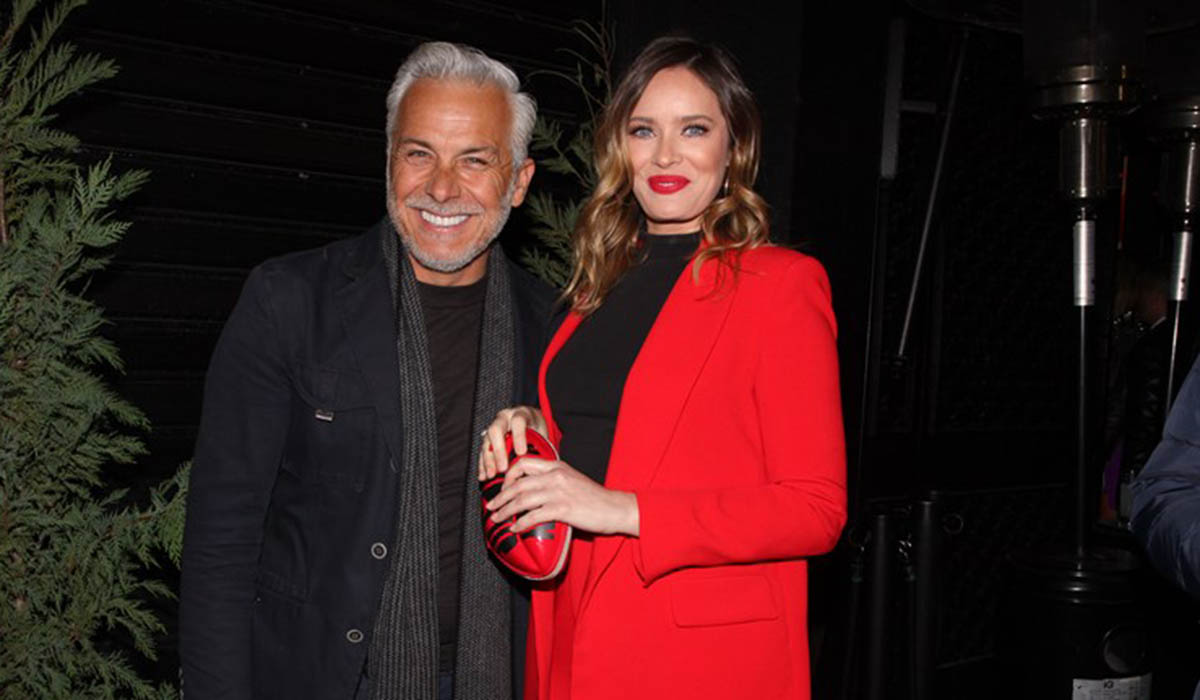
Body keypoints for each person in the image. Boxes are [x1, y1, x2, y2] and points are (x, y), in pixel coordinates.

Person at [179, 42, 556, 700]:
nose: (442, 188)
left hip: (500, 675)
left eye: (474, 160)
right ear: (388, 163)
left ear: (519, 183)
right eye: (419, 154)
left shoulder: (555, 326)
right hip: (320, 678)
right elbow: (221, 537)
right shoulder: (289, 302)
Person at [478, 36, 847, 700]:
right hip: (570, 622)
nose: (666, 154)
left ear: (735, 148)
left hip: (695, 655)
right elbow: (618, 430)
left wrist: (623, 512)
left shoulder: (780, 286)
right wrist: (537, 425)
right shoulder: (599, 285)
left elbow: (815, 509)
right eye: (644, 130)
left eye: (694, 129)